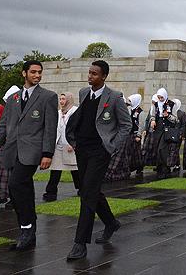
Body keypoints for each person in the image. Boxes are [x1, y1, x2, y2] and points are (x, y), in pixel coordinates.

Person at [0, 60, 58, 251]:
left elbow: (50, 128)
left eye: (39, 72)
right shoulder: (13, 98)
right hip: (12, 150)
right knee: (22, 190)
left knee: (15, 185)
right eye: (33, 72)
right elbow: (3, 127)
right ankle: (28, 229)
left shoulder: (48, 97)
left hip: (32, 152)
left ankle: (26, 228)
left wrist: (47, 153)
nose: (37, 75)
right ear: (24, 73)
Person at [64, 60, 130, 261]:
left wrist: (110, 146)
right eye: (89, 72)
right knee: (88, 190)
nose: (90, 76)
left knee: (87, 194)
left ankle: (80, 243)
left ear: (104, 76)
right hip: (82, 149)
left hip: (99, 152)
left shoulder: (115, 97)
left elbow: (126, 125)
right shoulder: (84, 93)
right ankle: (110, 222)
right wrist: (75, 141)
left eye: (94, 74)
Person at [43, 92, 80, 202]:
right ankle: (51, 193)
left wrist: (74, 143)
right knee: (55, 170)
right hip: (58, 145)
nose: (61, 101)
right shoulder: (58, 113)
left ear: (69, 99)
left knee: (75, 170)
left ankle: (82, 189)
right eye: (60, 99)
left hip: (70, 145)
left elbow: (79, 128)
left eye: (63, 99)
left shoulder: (76, 111)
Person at [0, 85, 19, 209]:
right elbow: (3, 125)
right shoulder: (8, 110)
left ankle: (14, 198)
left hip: (17, 144)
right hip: (5, 144)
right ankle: (2, 195)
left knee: (15, 173)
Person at [105, 93, 141, 182]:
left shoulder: (126, 110)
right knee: (119, 156)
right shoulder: (121, 109)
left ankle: (112, 173)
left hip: (122, 136)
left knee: (119, 156)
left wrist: (138, 134)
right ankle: (121, 172)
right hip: (116, 135)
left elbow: (127, 124)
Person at [152, 88, 179, 177]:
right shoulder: (156, 104)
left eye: (162, 97)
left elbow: (176, 119)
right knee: (157, 148)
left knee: (162, 148)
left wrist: (168, 116)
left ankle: (165, 167)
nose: (160, 99)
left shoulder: (171, 104)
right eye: (159, 97)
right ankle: (160, 166)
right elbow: (152, 115)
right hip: (158, 129)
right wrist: (153, 120)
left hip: (167, 130)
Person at [141, 94, 160, 170]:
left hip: (156, 132)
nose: (153, 103)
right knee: (146, 148)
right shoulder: (151, 109)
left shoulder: (159, 110)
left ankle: (156, 164)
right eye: (152, 101)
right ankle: (145, 163)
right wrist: (145, 129)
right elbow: (147, 120)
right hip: (149, 131)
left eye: (154, 102)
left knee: (155, 149)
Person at [127, 94, 145, 175]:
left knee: (136, 153)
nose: (129, 102)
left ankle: (139, 167)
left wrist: (139, 135)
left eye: (130, 101)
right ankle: (130, 167)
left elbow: (141, 125)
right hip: (129, 134)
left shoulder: (140, 112)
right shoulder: (129, 109)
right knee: (129, 152)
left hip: (135, 135)